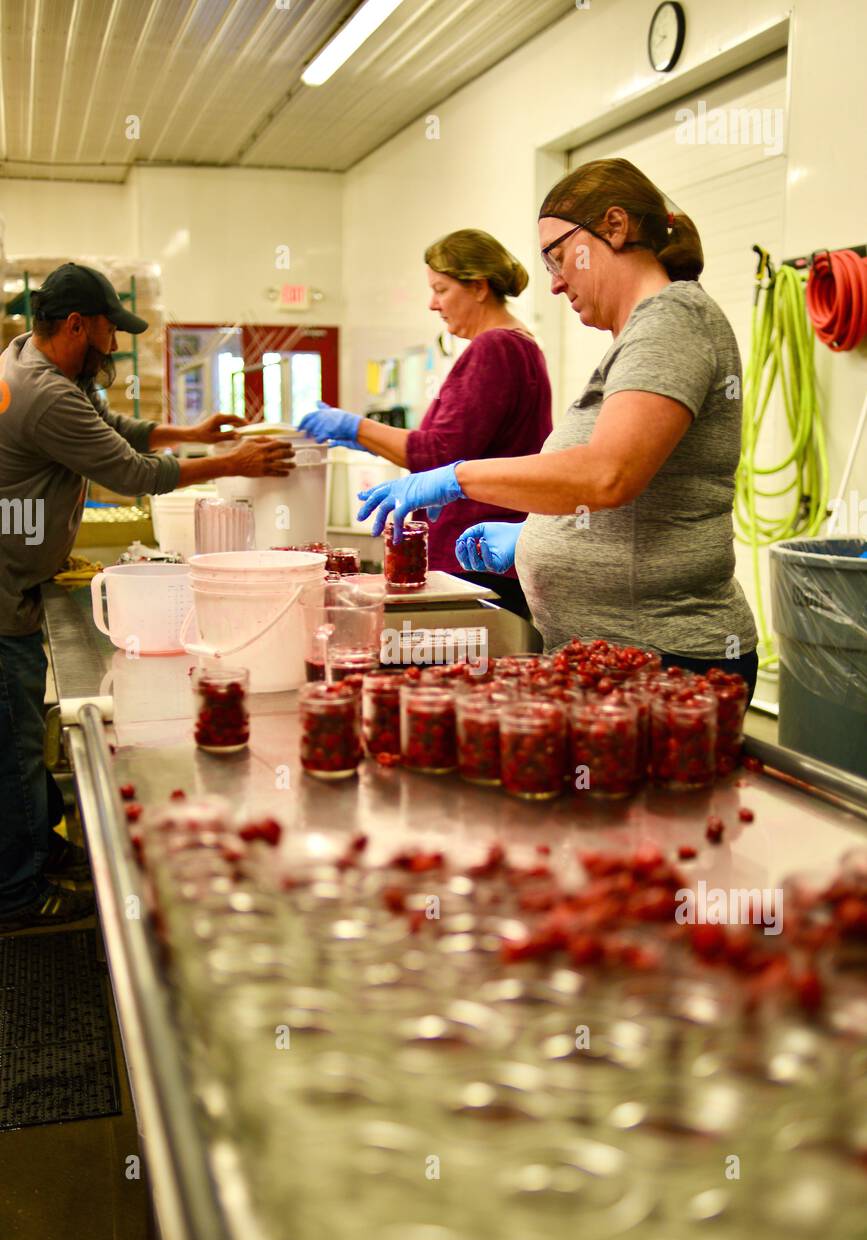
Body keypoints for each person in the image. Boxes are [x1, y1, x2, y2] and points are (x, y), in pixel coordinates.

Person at [356, 160, 759, 698]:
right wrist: (534, 539)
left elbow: (608, 474)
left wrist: (456, 477)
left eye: (559, 256)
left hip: (664, 659)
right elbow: (634, 488)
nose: (553, 282)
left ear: (614, 227)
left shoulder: (673, 317)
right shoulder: (642, 334)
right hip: (609, 654)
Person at [0, 262, 295, 929]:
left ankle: (40, 857)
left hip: (15, 579)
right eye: (109, 330)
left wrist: (191, 436)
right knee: (14, 743)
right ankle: (20, 897)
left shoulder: (26, 359)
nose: (114, 344)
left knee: (15, 738)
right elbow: (131, 472)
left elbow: (116, 429)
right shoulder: (43, 392)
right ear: (78, 324)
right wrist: (232, 463)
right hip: (3, 592)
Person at [300, 229, 552, 617]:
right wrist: (368, 439)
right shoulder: (520, 346)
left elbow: (438, 452)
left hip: (475, 557)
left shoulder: (495, 348)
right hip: (487, 556)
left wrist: (356, 427)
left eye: (442, 289)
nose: (433, 304)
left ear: (479, 287)